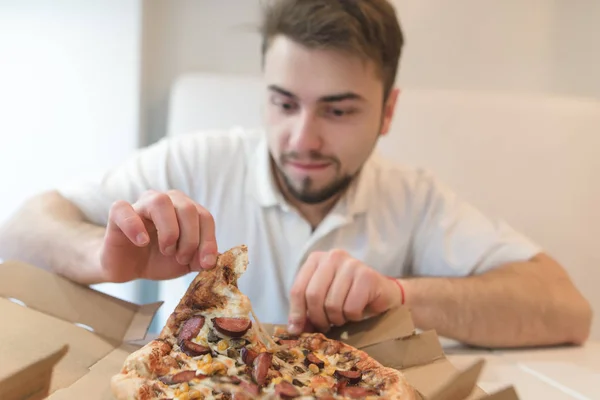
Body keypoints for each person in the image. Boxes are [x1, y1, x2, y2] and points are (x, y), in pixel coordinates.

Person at [0, 0, 591, 348]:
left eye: (338, 110)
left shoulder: (415, 199)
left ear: (388, 111)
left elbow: (565, 307)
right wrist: (102, 257)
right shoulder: (192, 163)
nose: (303, 138)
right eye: (284, 104)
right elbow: (20, 228)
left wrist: (400, 295)